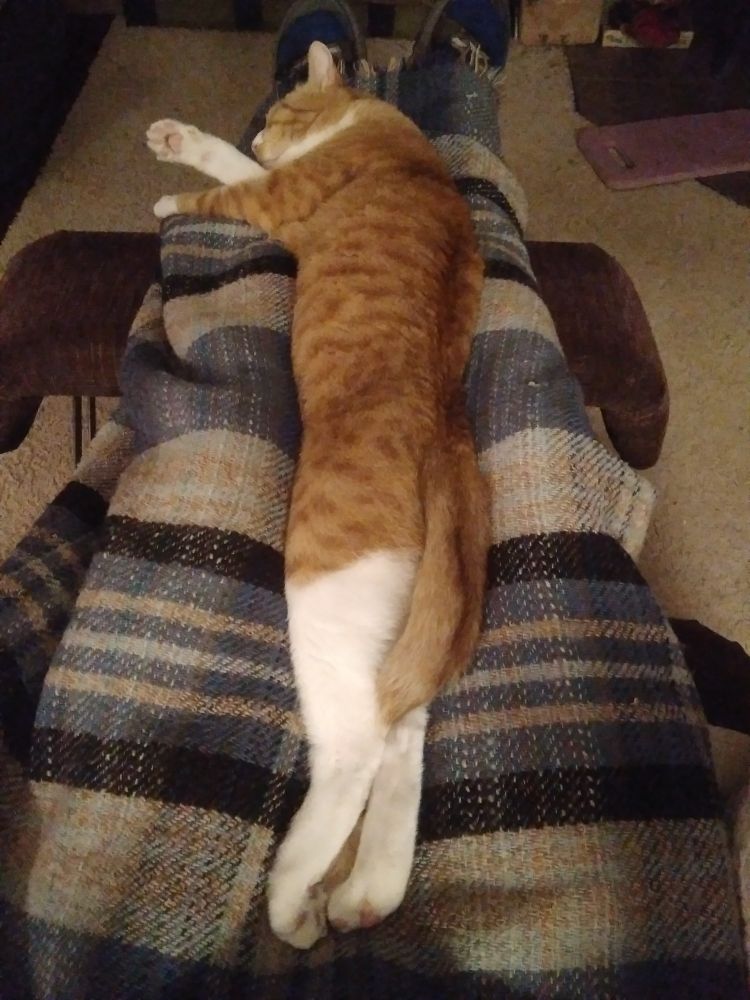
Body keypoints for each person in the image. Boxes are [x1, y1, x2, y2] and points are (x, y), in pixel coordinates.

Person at [0, 2, 745, 997]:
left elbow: (275, 195)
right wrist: (235, 169)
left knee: (301, 260)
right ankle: (448, 68)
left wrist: (219, 182)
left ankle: (357, 58)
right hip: (400, 354)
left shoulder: (343, 152)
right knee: (483, 255)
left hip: (361, 349)